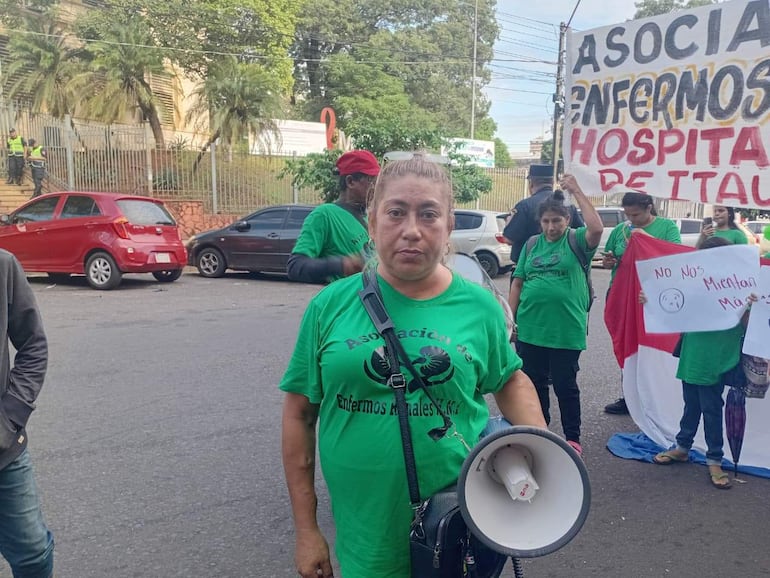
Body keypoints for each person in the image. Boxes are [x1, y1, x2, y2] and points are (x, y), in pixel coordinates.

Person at [280, 153, 546, 578]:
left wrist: (543, 449)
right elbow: (298, 414)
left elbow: (509, 378)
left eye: (428, 214)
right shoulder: (328, 306)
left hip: (458, 524)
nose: (411, 230)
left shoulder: (478, 306)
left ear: (448, 227)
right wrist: (306, 529)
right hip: (364, 535)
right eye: (396, 213)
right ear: (372, 223)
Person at [642, 236, 757, 489]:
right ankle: (683, 446)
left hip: (717, 357)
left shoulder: (739, 286)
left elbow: (749, 326)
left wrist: (750, 307)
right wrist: (651, 301)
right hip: (692, 353)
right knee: (691, 404)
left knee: (712, 408)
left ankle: (714, 457)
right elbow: (670, 309)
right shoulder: (691, 284)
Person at [508, 174, 603, 456]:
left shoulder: (577, 241)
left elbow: (596, 228)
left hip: (565, 330)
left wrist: (577, 190)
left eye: (557, 221)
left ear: (568, 220)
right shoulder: (531, 245)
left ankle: (572, 438)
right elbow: (517, 282)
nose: (551, 227)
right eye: (546, 221)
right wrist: (510, 321)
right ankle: (541, 431)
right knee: (533, 384)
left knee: (565, 385)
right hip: (530, 328)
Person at [0, 249, 55, 576]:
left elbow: (33, 345)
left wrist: (9, 419)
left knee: (33, 552)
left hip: (4, 453)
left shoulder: (3, 266)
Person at [602, 192, 681, 415]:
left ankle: (654, 398)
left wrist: (645, 238)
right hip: (621, 293)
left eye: (635, 214)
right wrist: (610, 261)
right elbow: (610, 259)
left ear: (649, 208)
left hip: (651, 297)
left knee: (650, 346)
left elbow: (674, 257)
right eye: (627, 214)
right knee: (626, 343)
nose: (631, 219)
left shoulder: (667, 227)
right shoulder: (621, 230)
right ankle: (629, 396)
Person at [286, 150, 380, 284]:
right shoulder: (324, 215)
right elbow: (295, 266)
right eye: (371, 181)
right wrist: (342, 264)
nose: (376, 188)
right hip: (346, 302)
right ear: (351, 181)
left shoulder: (370, 216)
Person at [502, 163, 584, 269]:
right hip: (562, 267)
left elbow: (509, 239)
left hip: (529, 270)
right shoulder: (567, 205)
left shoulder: (524, 206)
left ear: (531, 183)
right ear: (552, 182)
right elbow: (581, 234)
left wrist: (509, 222)